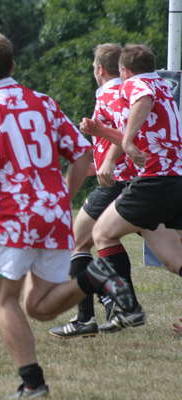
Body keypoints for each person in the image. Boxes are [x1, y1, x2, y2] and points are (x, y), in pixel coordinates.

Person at [0, 32, 135, 398]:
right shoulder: (42, 102)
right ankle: (94, 276)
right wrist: (61, 197)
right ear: (12, 65)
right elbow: (82, 153)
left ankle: (32, 384)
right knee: (38, 307)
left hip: (11, 216)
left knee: (4, 300)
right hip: (53, 213)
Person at [81, 44, 182, 330]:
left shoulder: (136, 85)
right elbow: (135, 128)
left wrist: (124, 141)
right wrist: (108, 136)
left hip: (154, 180)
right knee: (174, 259)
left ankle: (128, 309)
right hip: (175, 178)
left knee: (102, 234)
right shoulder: (163, 85)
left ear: (124, 71)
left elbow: (142, 99)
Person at [49, 43, 145, 338]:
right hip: (140, 180)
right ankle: (120, 306)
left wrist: (110, 162)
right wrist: (97, 165)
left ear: (100, 69)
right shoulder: (126, 90)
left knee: (78, 242)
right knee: (171, 253)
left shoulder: (110, 92)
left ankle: (89, 318)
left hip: (120, 182)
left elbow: (125, 132)